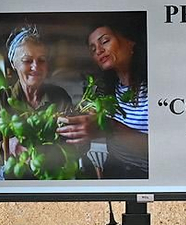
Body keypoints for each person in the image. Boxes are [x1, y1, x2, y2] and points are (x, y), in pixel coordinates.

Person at [56, 18, 148, 178]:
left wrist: (109, 127)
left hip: (147, 178)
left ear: (130, 42)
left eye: (105, 41)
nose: (98, 51)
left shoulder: (154, 89)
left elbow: (162, 148)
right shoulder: (104, 92)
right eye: (93, 49)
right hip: (114, 173)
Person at [0, 25, 73, 176]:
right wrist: (8, 146)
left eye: (42, 60)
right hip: (14, 179)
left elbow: (77, 145)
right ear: (14, 64)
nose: (36, 67)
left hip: (51, 176)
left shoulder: (60, 97)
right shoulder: (2, 98)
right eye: (27, 60)